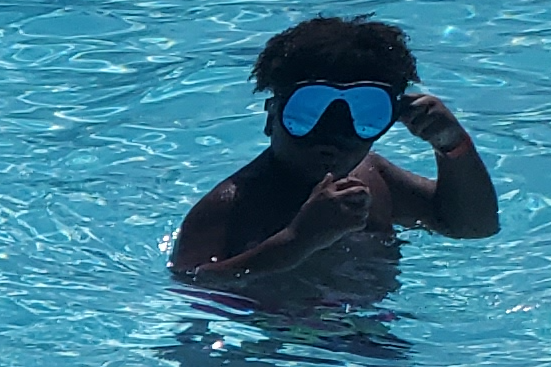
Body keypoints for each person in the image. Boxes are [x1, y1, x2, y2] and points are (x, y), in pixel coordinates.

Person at [171, 16, 498, 285]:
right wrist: (298, 240)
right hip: (278, 348)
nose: (332, 137)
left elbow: (471, 226)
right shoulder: (230, 208)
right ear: (272, 117)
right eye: (306, 114)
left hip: (371, 337)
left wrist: (453, 146)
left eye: (365, 118)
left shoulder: (373, 178)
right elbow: (192, 284)